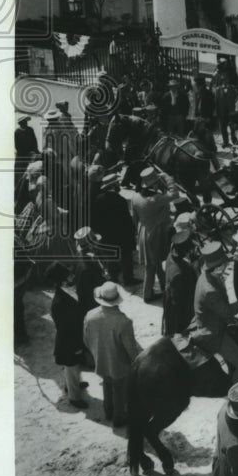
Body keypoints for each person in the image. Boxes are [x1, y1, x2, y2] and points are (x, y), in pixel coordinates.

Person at [189, 240, 238, 384]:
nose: (227, 265)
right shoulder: (209, 290)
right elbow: (227, 312)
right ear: (218, 267)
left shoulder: (207, 276)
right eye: (225, 264)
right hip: (212, 332)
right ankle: (235, 397)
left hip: (216, 321)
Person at [83, 281, 142, 429]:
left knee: (107, 385)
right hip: (119, 363)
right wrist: (137, 363)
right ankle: (119, 419)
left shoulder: (90, 315)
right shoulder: (124, 322)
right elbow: (131, 349)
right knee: (120, 391)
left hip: (100, 359)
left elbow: (85, 339)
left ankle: (108, 412)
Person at [46, 262, 90, 408]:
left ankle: (72, 385)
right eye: (68, 276)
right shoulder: (59, 303)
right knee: (72, 367)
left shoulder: (63, 294)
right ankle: (74, 397)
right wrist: (75, 346)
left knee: (72, 367)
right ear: (63, 281)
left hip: (71, 339)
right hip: (69, 342)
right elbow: (65, 329)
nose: (72, 277)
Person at [130, 167, 172, 303]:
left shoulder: (135, 197)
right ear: (153, 184)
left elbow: (134, 218)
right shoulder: (157, 199)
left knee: (156, 264)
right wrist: (167, 178)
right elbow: (175, 195)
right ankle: (147, 295)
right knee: (152, 266)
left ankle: (164, 288)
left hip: (143, 232)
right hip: (155, 235)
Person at [90, 173, 140, 287]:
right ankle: (128, 279)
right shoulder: (120, 200)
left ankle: (113, 279)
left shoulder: (99, 199)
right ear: (114, 185)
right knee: (127, 257)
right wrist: (132, 232)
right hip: (122, 235)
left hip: (107, 235)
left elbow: (96, 219)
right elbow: (127, 219)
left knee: (111, 258)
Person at [162, 228, 199, 336]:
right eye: (191, 249)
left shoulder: (171, 256)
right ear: (186, 251)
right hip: (181, 307)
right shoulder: (180, 272)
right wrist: (195, 269)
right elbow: (180, 301)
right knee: (180, 331)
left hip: (174, 298)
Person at [212, 62, 236, 148]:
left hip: (231, 111)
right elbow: (216, 102)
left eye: (226, 79)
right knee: (223, 128)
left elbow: (236, 100)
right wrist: (216, 112)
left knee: (233, 127)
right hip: (221, 112)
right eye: (223, 80)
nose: (224, 81)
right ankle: (225, 142)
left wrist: (234, 110)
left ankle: (234, 140)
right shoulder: (217, 90)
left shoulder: (232, 89)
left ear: (228, 80)